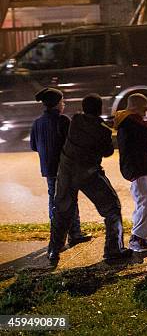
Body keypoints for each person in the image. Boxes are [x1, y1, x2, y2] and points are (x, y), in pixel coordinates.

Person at [48, 94, 131, 265]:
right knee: (112, 208)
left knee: (62, 210)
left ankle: (53, 250)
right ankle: (113, 250)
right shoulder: (103, 130)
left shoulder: (76, 120)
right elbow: (107, 152)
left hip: (66, 171)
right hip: (88, 173)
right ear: (100, 109)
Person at [30, 88, 91, 247]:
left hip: (48, 169)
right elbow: (72, 144)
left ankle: (56, 236)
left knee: (54, 200)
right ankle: (74, 234)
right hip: (65, 168)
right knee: (71, 199)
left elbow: (34, 146)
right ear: (57, 104)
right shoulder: (63, 121)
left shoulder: (37, 123)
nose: (64, 104)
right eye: (62, 101)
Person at [114, 94, 147, 253]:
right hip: (136, 168)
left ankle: (144, 233)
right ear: (135, 107)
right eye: (144, 109)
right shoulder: (131, 122)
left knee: (145, 201)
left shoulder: (128, 121)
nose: (146, 113)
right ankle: (137, 239)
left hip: (138, 166)